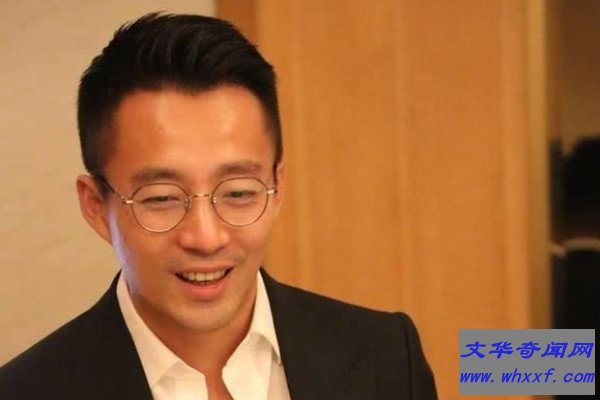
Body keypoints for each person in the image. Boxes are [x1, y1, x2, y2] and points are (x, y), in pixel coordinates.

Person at [0, 13, 437, 400]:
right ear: (96, 206)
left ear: (277, 187)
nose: (206, 238)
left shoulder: (386, 356)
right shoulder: (26, 391)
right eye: (162, 198)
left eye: (239, 192)